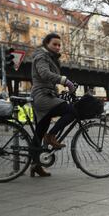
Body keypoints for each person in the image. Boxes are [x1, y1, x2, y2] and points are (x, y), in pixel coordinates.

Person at [30, 33, 76, 177]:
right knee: (71, 111)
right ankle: (51, 136)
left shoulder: (50, 58)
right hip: (42, 97)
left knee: (38, 133)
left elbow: (49, 80)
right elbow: (44, 74)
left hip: (47, 95)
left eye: (59, 45)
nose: (57, 47)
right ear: (46, 44)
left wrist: (58, 90)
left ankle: (35, 165)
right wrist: (64, 81)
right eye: (54, 44)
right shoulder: (41, 56)